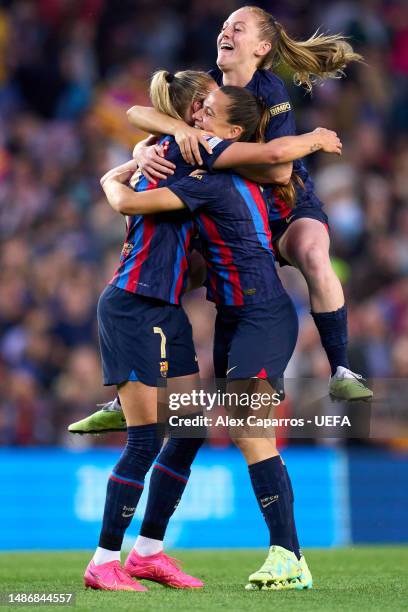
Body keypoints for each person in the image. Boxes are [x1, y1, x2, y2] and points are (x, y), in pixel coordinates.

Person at [83, 70, 340, 592]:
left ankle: (285, 555)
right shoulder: (183, 156)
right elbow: (139, 139)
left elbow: (272, 158)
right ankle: (117, 559)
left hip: (252, 314)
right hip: (153, 308)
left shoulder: (204, 167)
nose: (200, 118)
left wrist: (121, 171)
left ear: (228, 135)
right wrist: (133, 159)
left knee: (229, 430)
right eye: (196, 110)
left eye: (209, 112)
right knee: (169, 433)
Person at [128, 5, 372, 403]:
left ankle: (341, 368)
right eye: (225, 26)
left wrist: (215, 153)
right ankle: (133, 380)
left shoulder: (270, 91)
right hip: (234, 216)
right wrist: (156, 140)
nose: (225, 32)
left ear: (260, 47)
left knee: (311, 251)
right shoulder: (205, 88)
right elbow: (138, 112)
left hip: (284, 206)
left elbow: (279, 173)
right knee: (167, 272)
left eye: (237, 28)